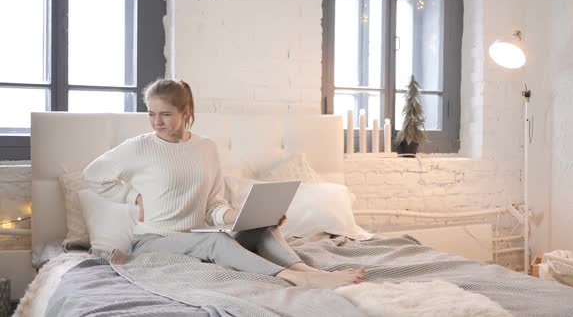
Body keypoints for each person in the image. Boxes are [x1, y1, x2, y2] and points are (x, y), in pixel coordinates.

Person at [83, 79, 365, 288]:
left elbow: (214, 205)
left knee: (259, 227)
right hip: (153, 242)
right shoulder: (139, 147)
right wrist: (133, 196)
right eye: (151, 114)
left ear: (186, 111)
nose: (156, 122)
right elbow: (93, 174)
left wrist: (242, 217)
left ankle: (305, 270)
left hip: (196, 234)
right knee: (214, 239)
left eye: (165, 114)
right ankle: (294, 279)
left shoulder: (205, 148)